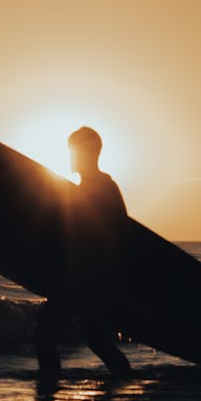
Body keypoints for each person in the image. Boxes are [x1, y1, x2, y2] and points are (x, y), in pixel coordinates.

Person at [35, 126, 132, 378]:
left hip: (85, 278)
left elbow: (112, 235)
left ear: (88, 153)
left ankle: (49, 392)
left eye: (73, 151)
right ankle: (124, 382)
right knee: (94, 339)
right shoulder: (94, 187)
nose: (71, 157)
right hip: (87, 277)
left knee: (45, 335)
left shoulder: (100, 189)